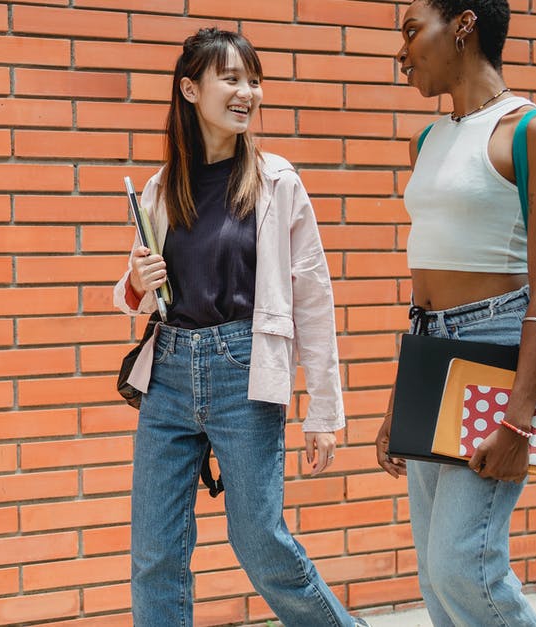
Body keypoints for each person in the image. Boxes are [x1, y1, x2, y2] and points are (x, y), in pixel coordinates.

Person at [113, 27, 367, 627]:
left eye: (253, 80)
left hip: (243, 373)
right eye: (231, 78)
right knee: (155, 555)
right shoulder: (160, 187)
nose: (247, 92)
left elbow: (314, 300)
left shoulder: (277, 181)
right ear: (190, 88)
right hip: (168, 376)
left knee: (261, 543)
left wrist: (324, 412)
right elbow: (133, 297)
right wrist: (136, 282)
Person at [374, 1, 536, 625]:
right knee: (436, 574)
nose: (400, 53)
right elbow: (425, 286)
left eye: (411, 31)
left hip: (495, 348)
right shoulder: (426, 140)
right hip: (430, 350)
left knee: (465, 564)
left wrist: (518, 424)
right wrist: (397, 405)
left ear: (464, 24)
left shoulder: (533, 131)